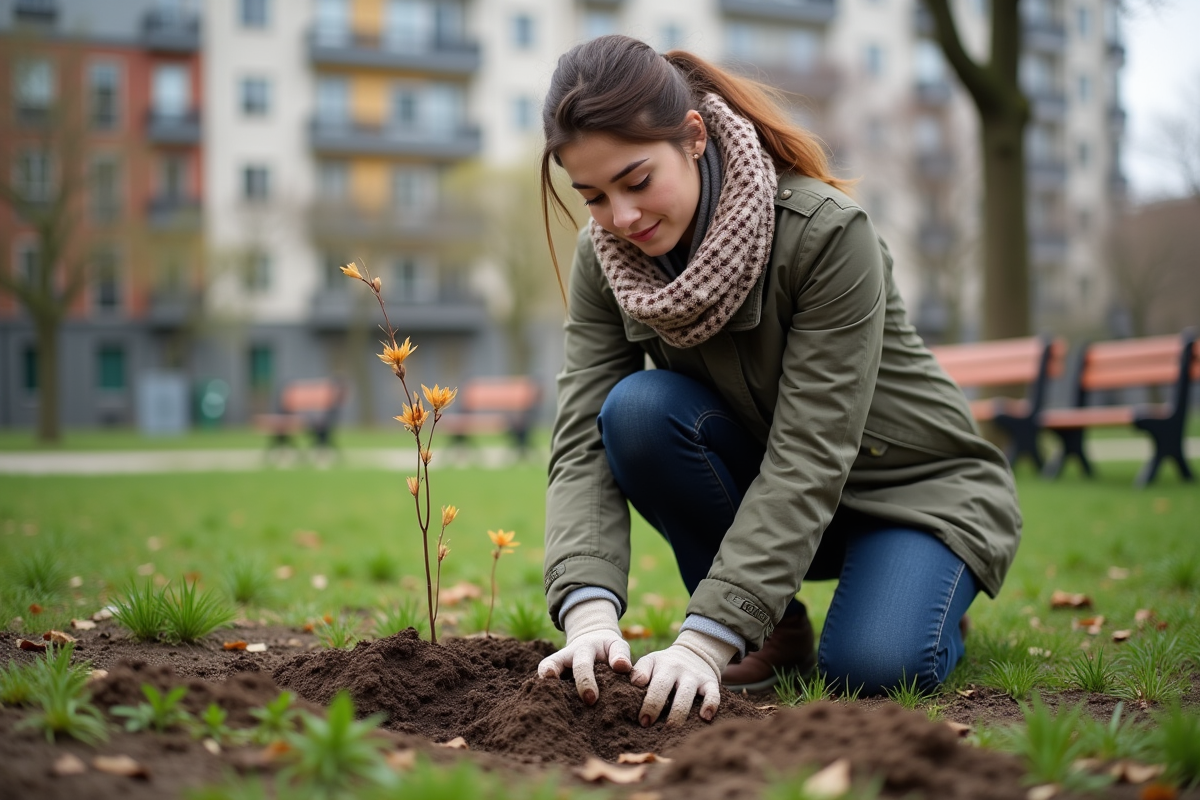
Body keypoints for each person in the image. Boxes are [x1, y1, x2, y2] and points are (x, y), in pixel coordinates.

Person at [535, 35, 1021, 729]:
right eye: (593, 196)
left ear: (694, 138)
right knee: (636, 412)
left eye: (637, 181)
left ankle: (922, 590)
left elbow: (811, 452)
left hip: (914, 493)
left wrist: (703, 640)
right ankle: (772, 630)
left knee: (872, 670)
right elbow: (583, 440)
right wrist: (586, 616)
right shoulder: (608, 258)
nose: (622, 217)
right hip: (778, 495)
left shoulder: (824, 234)